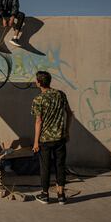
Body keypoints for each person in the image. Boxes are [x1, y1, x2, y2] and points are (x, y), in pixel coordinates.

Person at [31, 71, 73, 205]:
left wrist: (36, 142)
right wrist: (66, 131)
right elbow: (70, 114)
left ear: (39, 83)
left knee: (45, 167)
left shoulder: (38, 99)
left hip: (45, 140)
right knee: (60, 166)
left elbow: (38, 121)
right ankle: (61, 195)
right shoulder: (60, 94)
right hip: (60, 138)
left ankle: (45, 195)